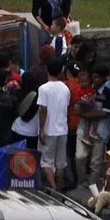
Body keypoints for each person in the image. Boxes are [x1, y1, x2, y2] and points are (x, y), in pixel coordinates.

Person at [33, 59, 72, 192]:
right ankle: (59, 187)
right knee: (60, 162)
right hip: (62, 129)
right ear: (61, 71)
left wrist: (41, 129)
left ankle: (53, 188)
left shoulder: (43, 88)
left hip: (49, 130)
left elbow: (43, 110)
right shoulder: (65, 88)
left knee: (46, 161)